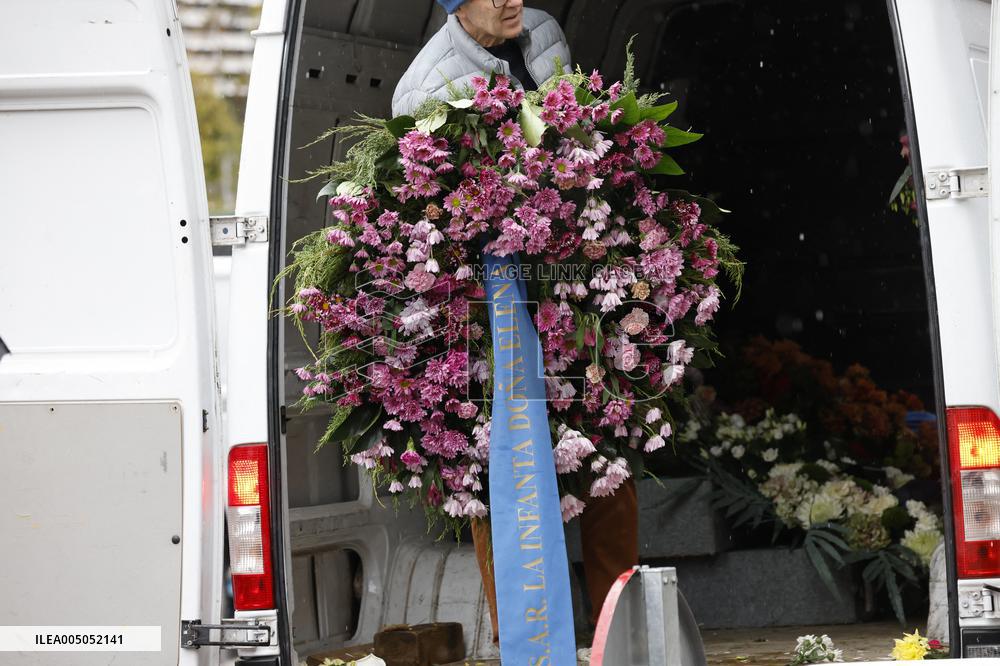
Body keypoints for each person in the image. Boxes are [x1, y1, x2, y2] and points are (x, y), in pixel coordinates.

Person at [391, 0, 640, 641]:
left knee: (604, 451)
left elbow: (581, 138)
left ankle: (623, 636)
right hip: (490, 310)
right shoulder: (425, 87)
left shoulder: (544, 33)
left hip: (572, 284)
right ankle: (529, 640)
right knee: (503, 462)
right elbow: (427, 223)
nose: (510, 0)